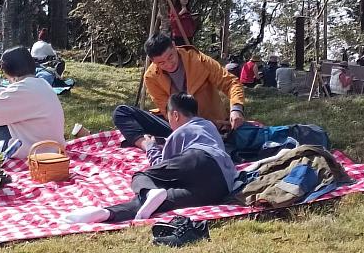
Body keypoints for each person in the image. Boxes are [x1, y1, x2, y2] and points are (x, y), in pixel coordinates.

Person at [65, 93, 236, 224]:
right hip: (220, 186)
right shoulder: (209, 126)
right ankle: (107, 213)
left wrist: (150, 147)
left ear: (175, 115)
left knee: (143, 177)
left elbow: (161, 165)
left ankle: (148, 192)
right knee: (164, 201)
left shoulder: (181, 132)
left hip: (200, 159)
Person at [112, 33, 245, 149]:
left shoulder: (199, 60)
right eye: (162, 63)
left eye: (170, 57)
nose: (169, 64)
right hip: (177, 127)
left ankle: (179, 142)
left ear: (174, 46)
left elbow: (231, 83)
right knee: (121, 112)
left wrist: (236, 109)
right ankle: (147, 146)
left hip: (210, 126)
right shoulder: (151, 77)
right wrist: (180, 127)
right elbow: (166, 110)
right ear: (153, 61)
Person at [0, 46, 65, 159]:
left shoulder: (23, 89)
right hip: (50, 148)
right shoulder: (40, 83)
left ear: (9, 71)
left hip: (33, 151)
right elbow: (14, 98)